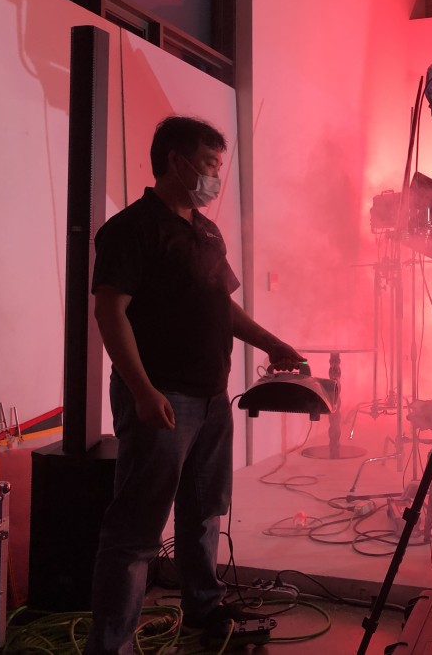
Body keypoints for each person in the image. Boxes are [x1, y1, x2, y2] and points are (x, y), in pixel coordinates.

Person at [84, 115, 303, 654]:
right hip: (163, 397)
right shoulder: (131, 229)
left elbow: (220, 304)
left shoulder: (206, 231)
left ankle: (204, 608)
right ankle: (110, 645)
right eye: (208, 164)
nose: (215, 177)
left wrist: (271, 342)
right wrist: (142, 391)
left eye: (218, 166)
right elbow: (110, 312)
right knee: (137, 529)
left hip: (211, 398)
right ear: (176, 162)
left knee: (204, 511)